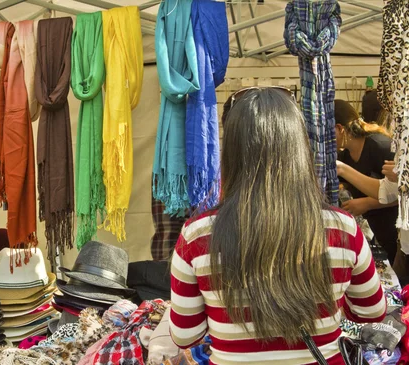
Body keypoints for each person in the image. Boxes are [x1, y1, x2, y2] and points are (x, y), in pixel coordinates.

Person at [170, 88, 386, 364]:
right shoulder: (343, 228)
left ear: (231, 153)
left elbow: (185, 335)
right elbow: (372, 311)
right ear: (299, 149)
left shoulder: (197, 236)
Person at [335, 99, 398, 263]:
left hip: (397, 235)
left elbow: (401, 194)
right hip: (381, 235)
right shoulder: (346, 155)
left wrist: (367, 203)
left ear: (339, 128)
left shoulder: (380, 147)